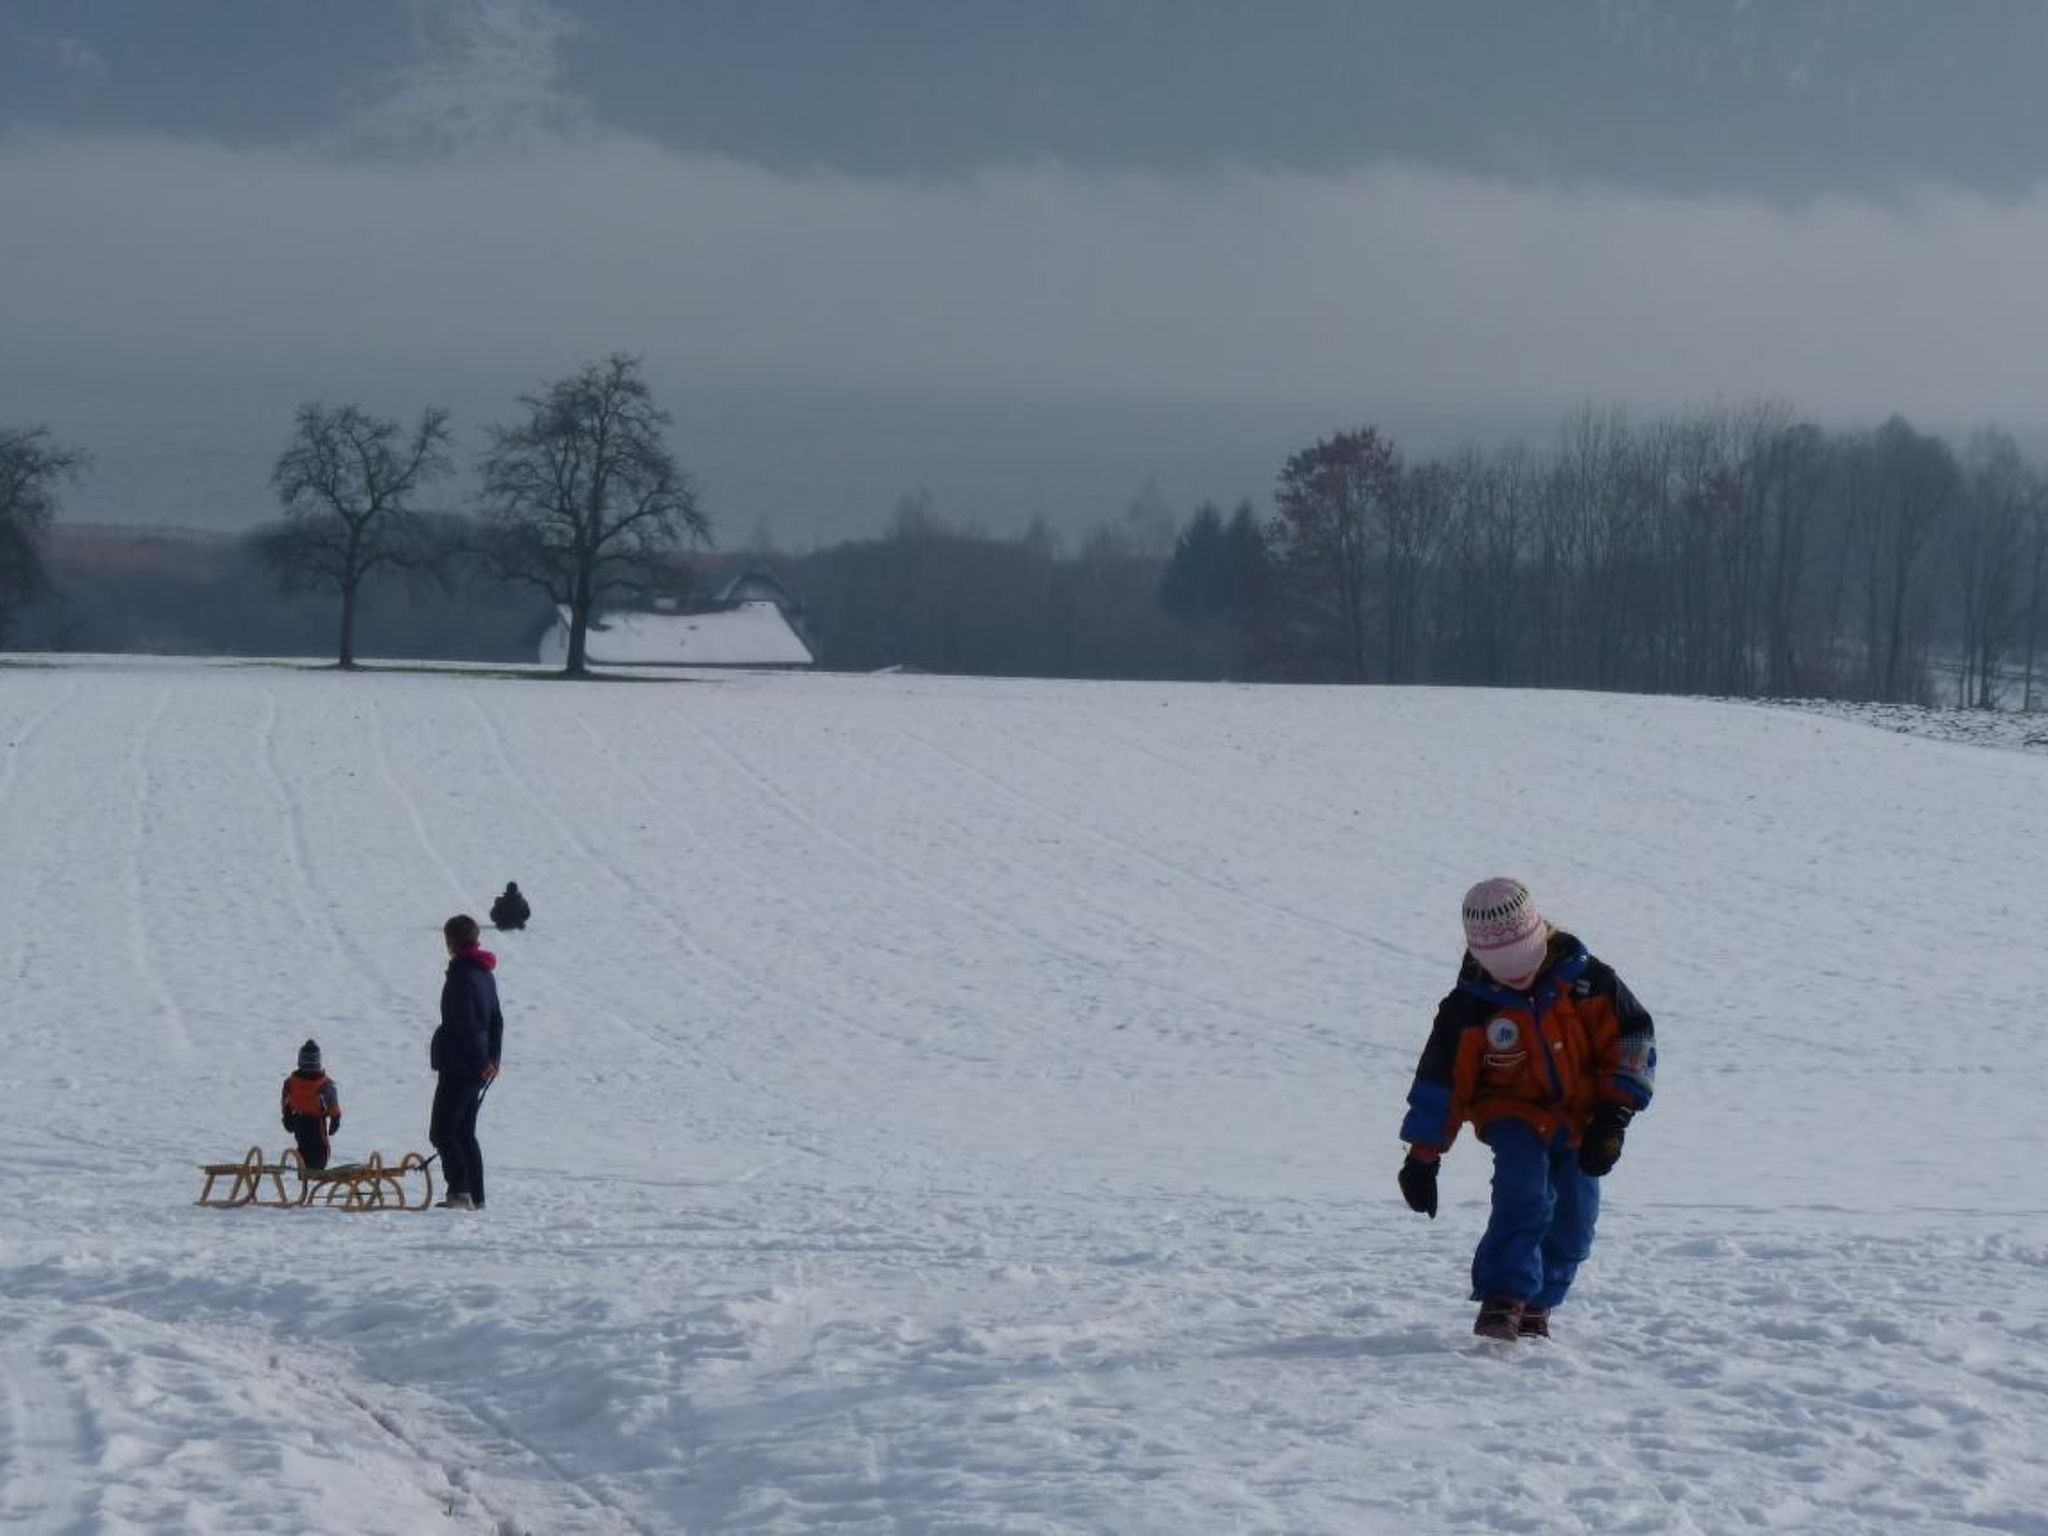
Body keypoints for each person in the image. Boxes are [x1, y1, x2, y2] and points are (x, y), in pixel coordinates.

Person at [1397, 878, 1656, 1341]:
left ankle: (1540, 1303)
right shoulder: (1469, 1007)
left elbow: (1631, 1039)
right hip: (1510, 1112)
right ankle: (1504, 1297)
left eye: (1524, 963)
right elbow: (1441, 1082)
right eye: (1500, 968)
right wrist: (1423, 1155)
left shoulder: (1589, 983)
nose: (1515, 977)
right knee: (1525, 1193)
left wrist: (1614, 1116)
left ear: (1542, 939)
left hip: (1582, 1116)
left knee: (1576, 1214)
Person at [430, 913, 503, 1211]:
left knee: (442, 1131)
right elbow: (496, 1020)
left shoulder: (462, 976)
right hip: (477, 1068)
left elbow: (465, 1027)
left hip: (460, 1067)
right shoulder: (484, 973)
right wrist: (493, 1059)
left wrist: (479, 1061)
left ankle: (459, 1192)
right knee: (464, 1132)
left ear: (452, 942)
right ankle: (476, 1196)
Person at [280, 1038, 342, 1171]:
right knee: (319, 1154)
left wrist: (287, 1117)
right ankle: (316, 1171)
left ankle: (304, 1170)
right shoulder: (325, 1085)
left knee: (303, 1147)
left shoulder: (290, 1083)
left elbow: (286, 1103)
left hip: (299, 1123)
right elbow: (333, 1107)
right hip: (316, 1125)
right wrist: (335, 1121)